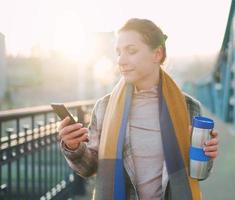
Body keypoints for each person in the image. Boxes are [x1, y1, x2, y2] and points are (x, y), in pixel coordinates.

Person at [58, 18, 219, 200]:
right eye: (118, 52)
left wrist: (206, 154)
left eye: (131, 51)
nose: (121, 60)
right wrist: (73, 147)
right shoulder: (105, 107)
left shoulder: (189, 107)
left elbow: (200, 174)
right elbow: (89, 168)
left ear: (157, 54)